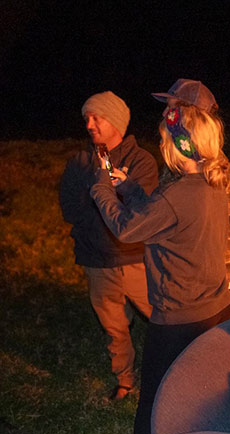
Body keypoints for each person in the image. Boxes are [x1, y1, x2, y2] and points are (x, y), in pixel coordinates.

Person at [91, 88, 230, 434]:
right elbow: (161, 218)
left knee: (153, 403)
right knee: (207, 396)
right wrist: (130, 187)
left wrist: (102, 187)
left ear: (180, 145)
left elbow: (128, 229)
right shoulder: (208, 184)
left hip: (179, 318)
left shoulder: (179, 193)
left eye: (165, 138)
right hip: (216, 309)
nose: (161, 143)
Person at [59, 91, 158, 402]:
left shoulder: (140, 161)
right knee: (113, 326)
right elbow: (70, 208)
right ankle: (125, 380)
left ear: (116, 121)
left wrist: (104, 200)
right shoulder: (80, 162)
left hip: (134, 257)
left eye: (96, 117)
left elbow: (141, 210)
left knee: (161, 316)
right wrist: (103, 208)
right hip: (97, 258)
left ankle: (170, 373)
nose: (89, 124)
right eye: (86, 117)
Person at [152, 78, 230, 303]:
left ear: (191, 116)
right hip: (201, 275)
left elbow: (216, 229)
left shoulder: (209, 165)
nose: (166, 114)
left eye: (172, 108)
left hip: (213, 276)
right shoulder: (185, 159)